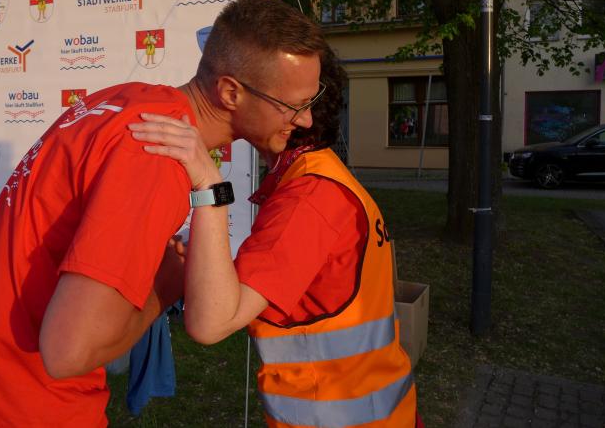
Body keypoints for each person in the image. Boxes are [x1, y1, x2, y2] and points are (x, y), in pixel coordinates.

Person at [0, 0, 325, 427]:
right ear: (230, 93)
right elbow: (67, 352)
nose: (306, 119)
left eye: (312, 99)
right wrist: (163, 289)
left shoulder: (131, 101)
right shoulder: (156, 157)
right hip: (19, 403)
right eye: (294, 105)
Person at [131, 46, 421, 427]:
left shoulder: (307, 200)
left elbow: (210, 323)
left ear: (295, 115)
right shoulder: (321, 177)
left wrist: (209, 186)